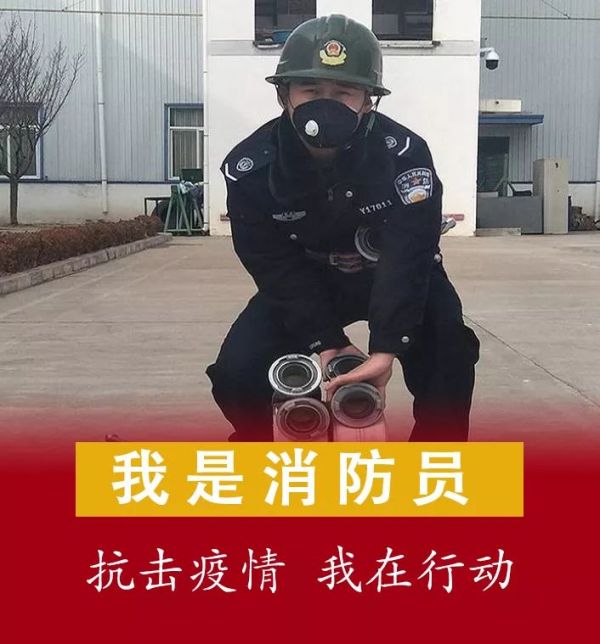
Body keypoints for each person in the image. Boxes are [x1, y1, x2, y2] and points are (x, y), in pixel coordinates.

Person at [206, 14, 480, 442]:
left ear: (368, 100)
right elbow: (271, 263)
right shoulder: (251, 170)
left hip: (393, 273)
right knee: (237, 374)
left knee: (450, 355)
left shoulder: (404, 156)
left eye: (343, 92)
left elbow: (410, 253)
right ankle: (263, 461)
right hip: (308, 278)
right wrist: (326, 340)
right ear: (284, 95)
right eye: (311, 89)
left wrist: (386, 348)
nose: (326, 103)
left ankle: (436, 462)